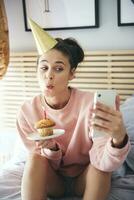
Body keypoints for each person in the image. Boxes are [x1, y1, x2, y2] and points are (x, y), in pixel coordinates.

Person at [0, 19, 130, 200]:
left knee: (100, 168)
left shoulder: (92, 104)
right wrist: (52, 149)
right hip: (54, 181)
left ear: (72, 74)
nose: (49, 75)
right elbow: (40, 160)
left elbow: (104, 161)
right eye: (43, 67)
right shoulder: (27, 111)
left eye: (58, 68)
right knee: (35, 158)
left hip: (85, 178)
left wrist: (118, 139)